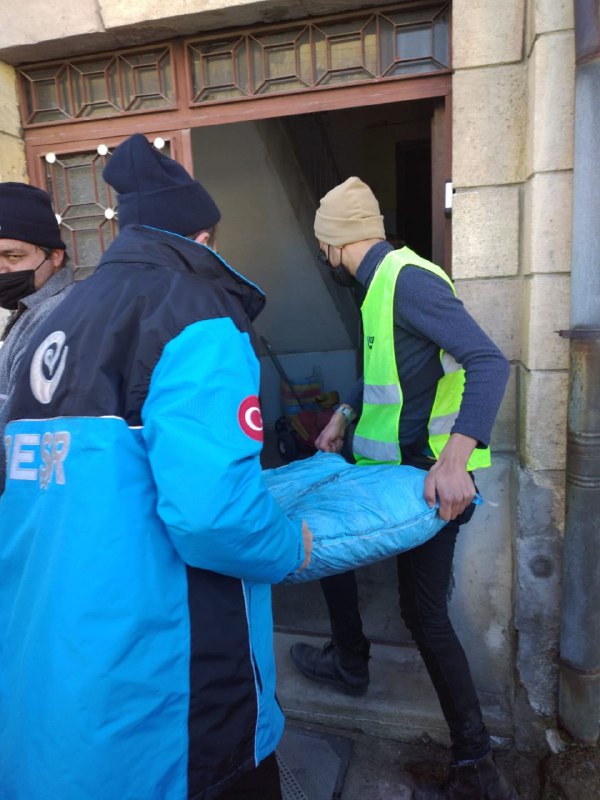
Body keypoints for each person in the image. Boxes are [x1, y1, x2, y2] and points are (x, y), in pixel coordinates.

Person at [0, 134, 312, 800]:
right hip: (174, 674)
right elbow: (214, 517)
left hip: (61, 651)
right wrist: (291, 547)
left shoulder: (52, 323)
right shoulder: (197, 313)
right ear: (202, 236)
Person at [288, 177, 516, 800]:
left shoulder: (409, 281)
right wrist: (343, 415)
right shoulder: (378, 287)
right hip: (388, 473)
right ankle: (349, 660)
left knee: (423, 615)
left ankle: (477, 768)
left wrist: (455, 460)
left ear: (332, 244)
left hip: (427, 481)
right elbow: (385, 374)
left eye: (321, 246)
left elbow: (489, 361)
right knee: (325, 541)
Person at [0, 182, 73, 490]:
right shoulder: (29, 311)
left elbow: (23, 422)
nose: (2, 269)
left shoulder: (57, 316)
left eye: (13, 256)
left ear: (54, 255)